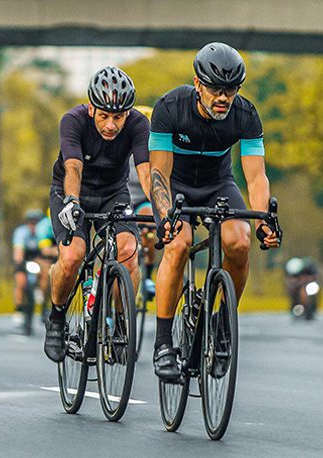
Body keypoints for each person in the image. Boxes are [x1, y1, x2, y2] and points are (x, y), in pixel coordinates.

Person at [149, 42, 281, 380]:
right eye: (215, 90)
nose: (223, 98)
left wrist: (264, 218)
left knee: (239, 242)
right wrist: (165, 215)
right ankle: (164, 343)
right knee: (178, 245)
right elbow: (158, 173)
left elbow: (255, 176)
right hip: (176, 185)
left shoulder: (246, 115)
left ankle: (221, 325)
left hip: (218, 184)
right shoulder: (169, 107)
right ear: (197, 84)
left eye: (230, 90)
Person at [43, 66, 150, 363]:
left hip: (113, 193)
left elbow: (145, 172)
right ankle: (57, 318)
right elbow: (73, 166)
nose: (112, 125)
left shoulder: (139, 124)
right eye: (104, 116)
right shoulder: (73, 121)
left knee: (128, 251)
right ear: (91, 108)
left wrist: (161, 209)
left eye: (118, 117)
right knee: (73, 256)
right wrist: (73, 201)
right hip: (71, 191)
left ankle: (120, 323)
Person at [128, 105, 156, 298]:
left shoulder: (157, 152)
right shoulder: (122, 147)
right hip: (121, 198)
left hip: (143, 200)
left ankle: (147, 275)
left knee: (149, 225)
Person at [12, 209, 45, 331]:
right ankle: (19, 309)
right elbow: (18, 251)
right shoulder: (21, 232)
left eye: (36, 223)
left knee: (46, 270)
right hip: (23, 260)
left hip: (38, 260)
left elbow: (46, 249)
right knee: (21, 282)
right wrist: (19, 261)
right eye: (31, 223)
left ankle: (40, 291)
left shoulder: (43, 233)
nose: (33, 226)